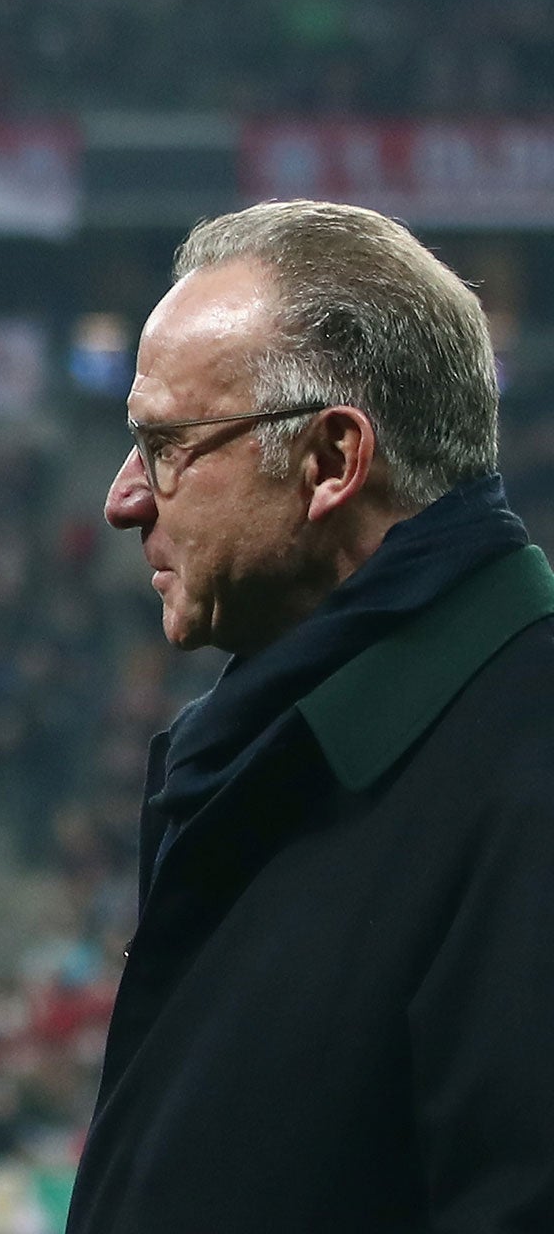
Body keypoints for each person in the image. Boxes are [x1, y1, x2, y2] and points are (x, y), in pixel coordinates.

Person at [68, 199, 554, 1232]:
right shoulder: (298, 749)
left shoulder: (513, 770)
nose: (123, 499)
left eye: (163, 445)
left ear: (331, 460)